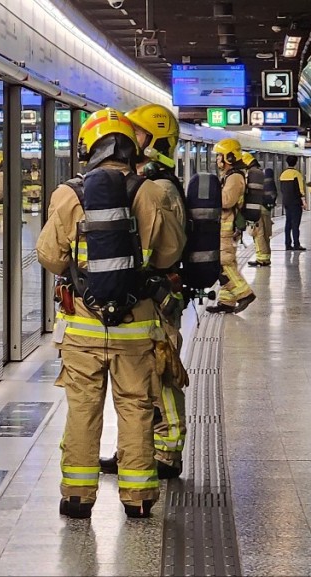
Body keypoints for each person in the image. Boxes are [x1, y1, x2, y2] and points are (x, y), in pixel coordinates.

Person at [37, 108, 182, 519]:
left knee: (83, 406)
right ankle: (137, 499)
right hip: (136, 326)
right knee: (136, 405)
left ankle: (78, 497)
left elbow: (49, 256)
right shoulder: (151, 192)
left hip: (83, 325)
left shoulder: (68, 194)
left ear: (90, 147)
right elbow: (170, 254)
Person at [95, 103, 188, 479]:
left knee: (160, 372)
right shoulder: (149, 182)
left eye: (139, 135)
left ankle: (167, 451)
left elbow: (165, 247)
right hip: (150, 294)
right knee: (139, 378)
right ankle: (136, 450)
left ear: (157, 141)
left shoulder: (161, 186)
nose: (131, 142)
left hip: (159, 295)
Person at [206, 139, 256, 314]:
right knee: (229, 263)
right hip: (226, 225)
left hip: (226, 227)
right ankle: (227, 302)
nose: (217, 159)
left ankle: (245, 294)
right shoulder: (231, 175)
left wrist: (210, 195)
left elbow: (227, 201)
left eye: (219, 156)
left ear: (228, 157)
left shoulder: (234, 177)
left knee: (223, 263)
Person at [243, 152, 272, 267]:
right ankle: (266, 257)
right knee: (265, 234)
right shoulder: (261, 172)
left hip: (256, 208)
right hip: (265, 208)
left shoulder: (251, 174)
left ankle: (261, 259)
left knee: (258, 234)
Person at [280, 155, 306, 250]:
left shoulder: (283, 174)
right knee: (295, 224)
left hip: (286, 202)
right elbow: (300, 189)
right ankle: (296, 244)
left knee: (288, 223)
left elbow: (282, 189)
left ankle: (287, 244)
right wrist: (303, 200)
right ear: (296, 162)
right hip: (296, 202)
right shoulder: (297, 174)